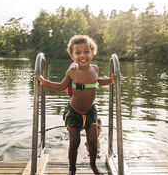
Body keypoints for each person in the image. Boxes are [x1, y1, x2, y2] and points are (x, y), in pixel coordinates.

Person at [36, 35, 115, 175]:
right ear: (72, 56)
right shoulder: (72, 71)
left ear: (92, 53)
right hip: (73, 112)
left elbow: (98, 81)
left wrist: (110, 80)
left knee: (92, 141)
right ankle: (72, 169)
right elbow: (61, 86)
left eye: (86, 51)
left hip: (90, 112)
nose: (82, 55)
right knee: (75, 142)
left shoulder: (95, 69)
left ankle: (93, 166)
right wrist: (44, 82)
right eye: (78, 53)